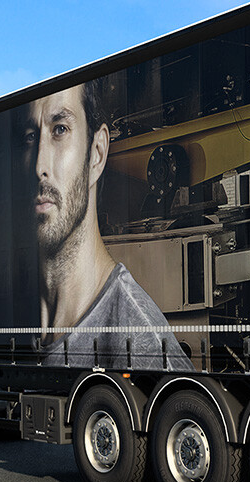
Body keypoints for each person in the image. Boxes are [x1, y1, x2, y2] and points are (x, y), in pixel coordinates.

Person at [25, 81, 189, 370]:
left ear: (97, 153)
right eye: (29, 136)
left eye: (60, 129)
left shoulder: (140, 343)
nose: (39, 166)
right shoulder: (11, 314)